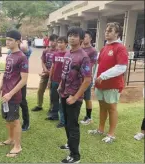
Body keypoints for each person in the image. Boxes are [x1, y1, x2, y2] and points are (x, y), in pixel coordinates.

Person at [88, 22, 128, 143]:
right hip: (101, 84)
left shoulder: (120, 48)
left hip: (113, 85)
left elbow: (121, 67)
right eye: (106, 30)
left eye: (110, 31)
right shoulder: (104, 48)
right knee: (102, 107)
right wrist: (95, 80)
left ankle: (111, 134)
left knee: (112, 108)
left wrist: (103, 76)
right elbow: (98, 66)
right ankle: (100, 129)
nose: (107, 32)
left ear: (117, 33)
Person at [58, 27, 91, 163]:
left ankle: (75, 155)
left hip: (74, 96)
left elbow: (87, 80)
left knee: (72, 125)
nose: (71, 38)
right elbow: (65, 72)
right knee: (66, 122)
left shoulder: (83, 56)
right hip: (64, 93)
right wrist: (61, 84)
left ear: (81, 39)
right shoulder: (68, 53)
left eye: (75, 36)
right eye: (70, 35)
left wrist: (76, 97)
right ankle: (70, 144)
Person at [0, 30, 28, 158]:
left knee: (14, 120)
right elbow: (7, 73)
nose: (7, 42)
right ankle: (10, 138)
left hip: (13, 95)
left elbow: (24, 80)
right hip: (5, 93)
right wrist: (0, 88)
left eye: (10, 40)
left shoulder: (22, 57)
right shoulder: (9, 55)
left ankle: (17, 146)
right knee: (7, 119)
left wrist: (10, 93)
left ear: (18, 41)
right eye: (6, 39)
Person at [31, 35, 56, 116]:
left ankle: (51, 108)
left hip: (54, 75)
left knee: (52, 92)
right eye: (51, 41)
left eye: (54, 41)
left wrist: (50, 72)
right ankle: (39, 105)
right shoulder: (46, 51)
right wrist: (45, 69)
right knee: (40, 90)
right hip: (45, 73)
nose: (52, 42)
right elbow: (43, 61)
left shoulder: (59, 52)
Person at [48, 36, 68, 128]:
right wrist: (49, 79)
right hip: (54, 80)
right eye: (58, 42)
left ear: (66, 44)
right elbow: (52, 67)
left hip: (63, 82)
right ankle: (54, 115)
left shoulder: (68, 54)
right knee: (54, 99)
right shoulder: (55, 54)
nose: (59, 44)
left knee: (62, 101)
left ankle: (63, 121)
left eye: (61, 42)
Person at [80, 31, 98, 125]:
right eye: (83, 37)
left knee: (87, 98)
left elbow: (91, 65)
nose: (84, 38)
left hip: (86, 78)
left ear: (91, 38)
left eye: (86, 37)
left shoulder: (93, 51)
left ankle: (89, 117)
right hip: (77, 77)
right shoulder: (79, 48)